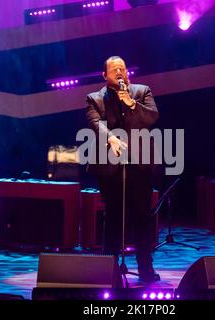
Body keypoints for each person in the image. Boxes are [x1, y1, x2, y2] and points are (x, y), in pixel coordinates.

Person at [85, 56, 160, 282]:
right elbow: (95, 123)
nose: (119, 72)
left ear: (127, 73)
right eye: (114, 69)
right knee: (114, 216)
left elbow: (152, 117)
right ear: (104, 75)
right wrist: (111, 139)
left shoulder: (142, 92)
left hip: (139, 165)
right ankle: (111, 267)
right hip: (110, 166)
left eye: (122, 69)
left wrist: (130, 103)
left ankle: (145, 267)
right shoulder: (95, 98)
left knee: (142, 216)